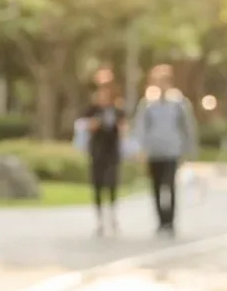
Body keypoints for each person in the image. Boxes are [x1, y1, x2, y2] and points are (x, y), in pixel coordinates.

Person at [132, 63, 198, 234]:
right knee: (156, 186)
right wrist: (141, 149)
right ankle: (160, 220)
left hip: (172, 150)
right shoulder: (147, 103)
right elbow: (141, 128)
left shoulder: (179, 103)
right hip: (154, 151)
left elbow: (187, 126)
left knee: (169, 185)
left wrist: (188, 149)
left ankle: (170, 221)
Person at [79, 71, 128, 235]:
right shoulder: (92, 109)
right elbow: (83, 125)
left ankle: (113, 216)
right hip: (97, 151)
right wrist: (93, 125)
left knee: (112, 183)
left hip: (112, 151)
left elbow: (124, 128)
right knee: (98, 184)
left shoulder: (117, 109)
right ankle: (100, 219)